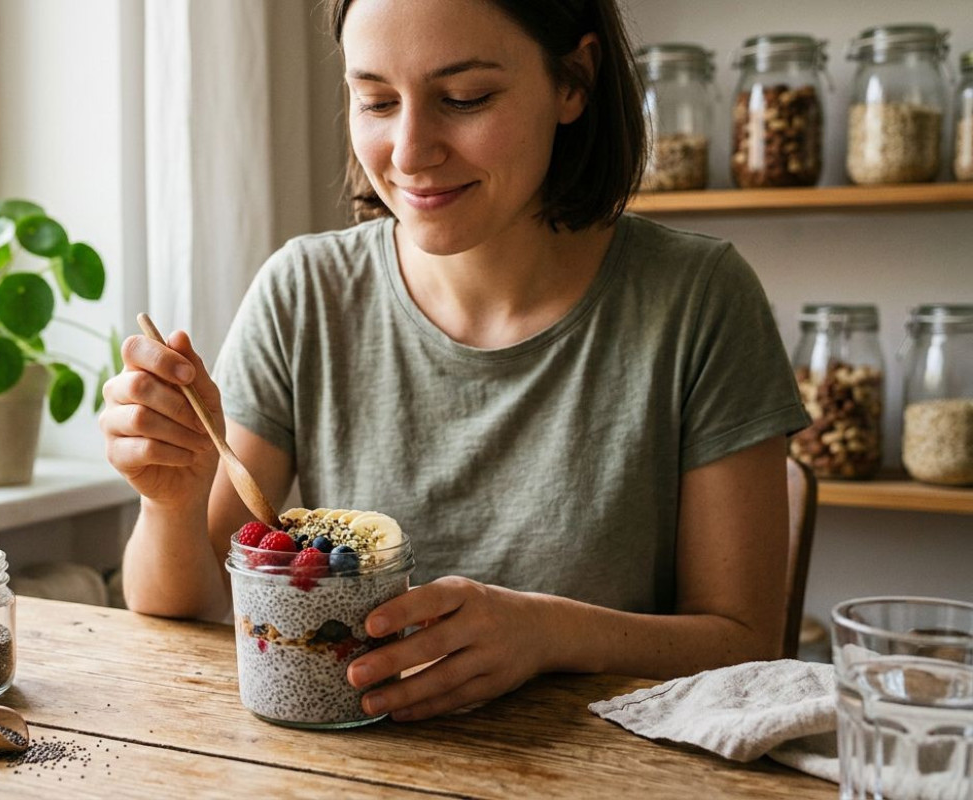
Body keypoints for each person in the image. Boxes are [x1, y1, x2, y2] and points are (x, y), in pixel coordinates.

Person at [99, 0, 809, 723]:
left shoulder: (700, 299)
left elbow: (747, 648)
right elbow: (188, 609)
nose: (409, 152)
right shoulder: (303, 293)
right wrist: (172, 501)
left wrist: (551, 634)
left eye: (465, 98)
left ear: (574, 80)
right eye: (375, 100)